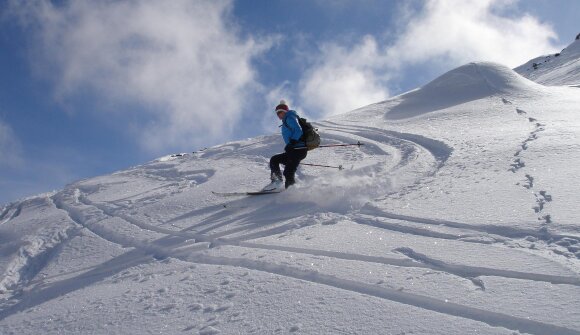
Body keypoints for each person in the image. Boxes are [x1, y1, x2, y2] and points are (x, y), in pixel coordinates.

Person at [269, 100, 308, 189]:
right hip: (293, 150)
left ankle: (291, 192)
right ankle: (277, 182)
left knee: (288, 171)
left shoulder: (290, 117)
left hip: (298, 150)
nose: (278, 114)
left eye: (280, 112)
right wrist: (290, 146)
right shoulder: (286, 120)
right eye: (277, 113)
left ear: (285, 111)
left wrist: (292, 143)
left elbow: (298, 130)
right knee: (274, 160)